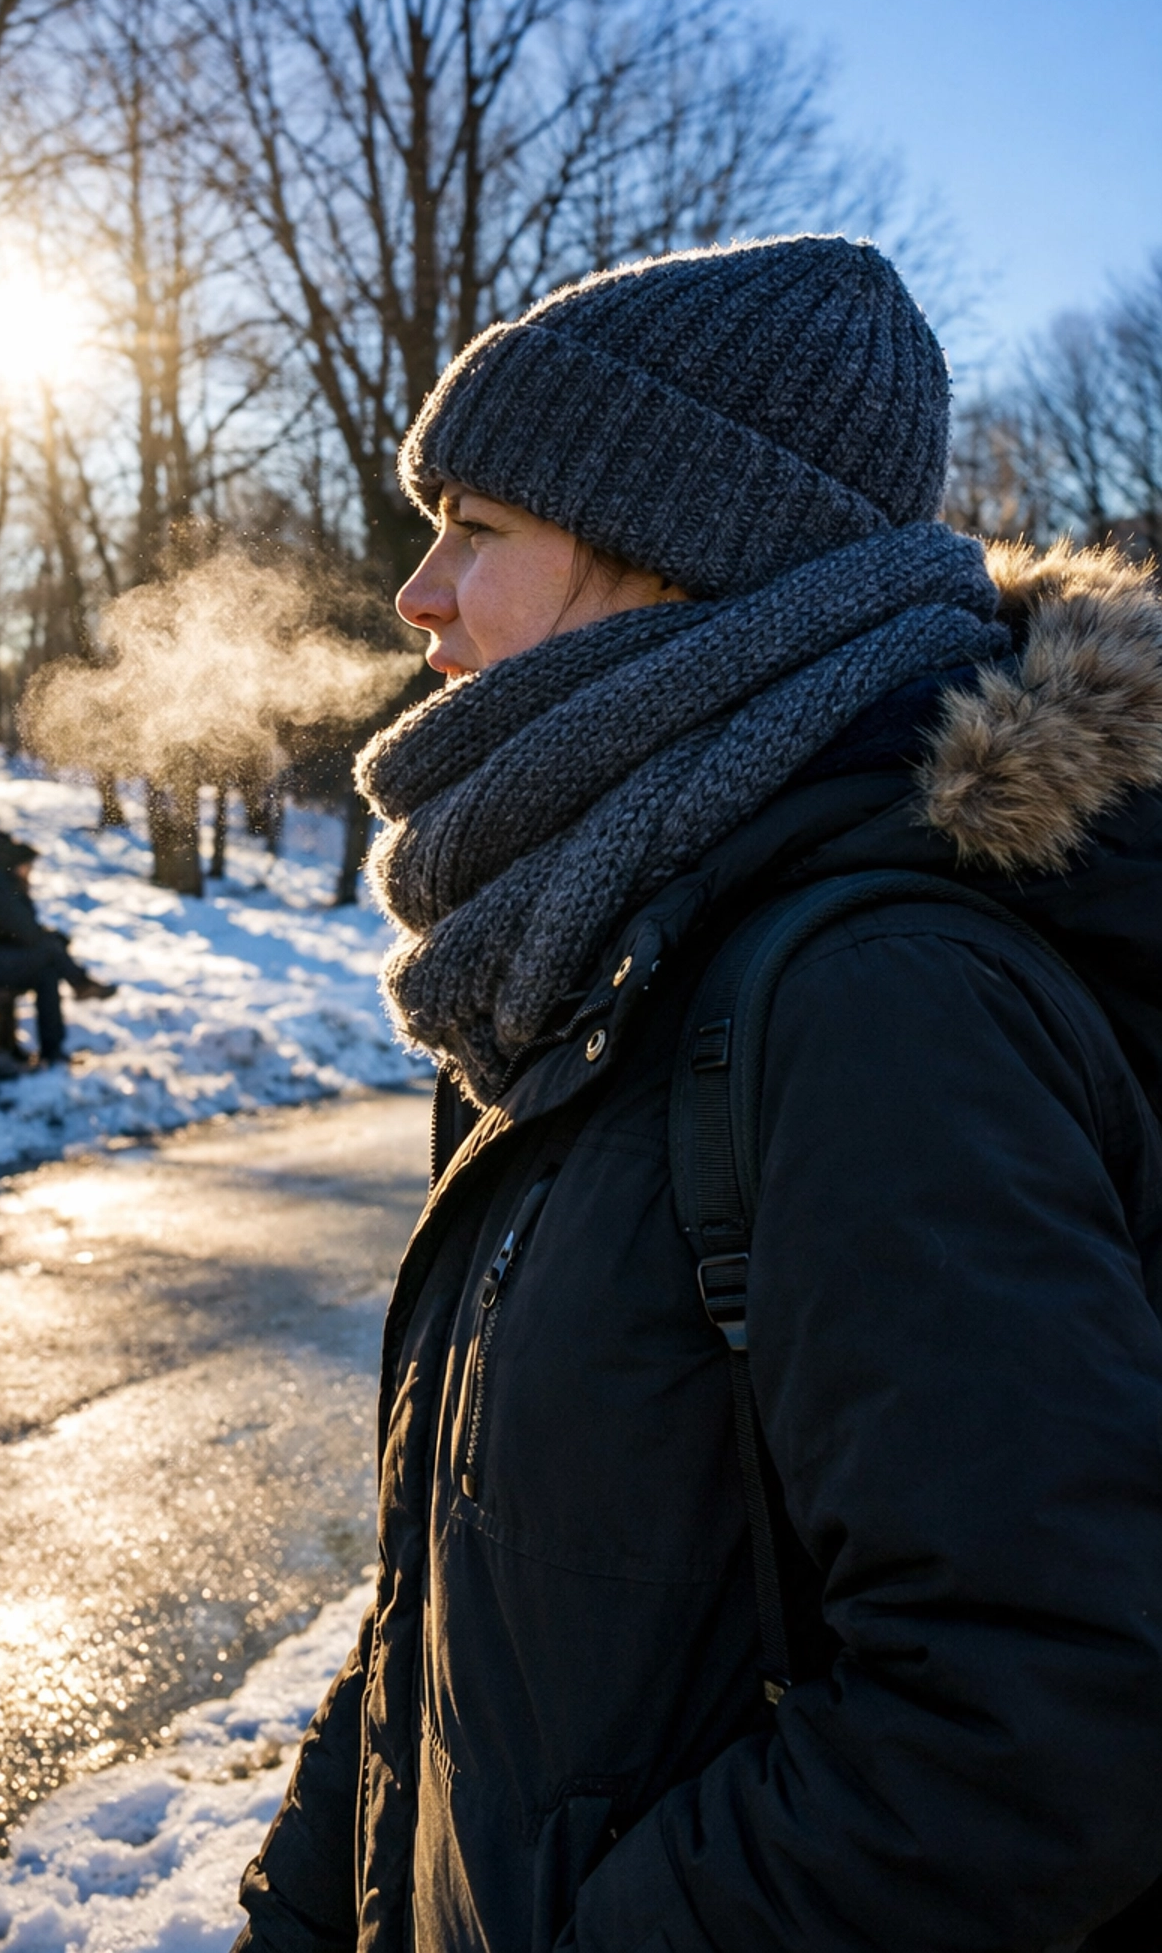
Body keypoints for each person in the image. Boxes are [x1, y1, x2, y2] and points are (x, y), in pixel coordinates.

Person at [234, 236, 1162, 1953]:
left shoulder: (867, 1002)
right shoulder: (585, 962)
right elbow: (447, 1620)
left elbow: (1031, 1718)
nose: (416, 594)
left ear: (677, 554)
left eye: (480, 527)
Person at [0, 831, 113, 1065]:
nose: (30, 872)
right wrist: (52, 938)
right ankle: (79, 985)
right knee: (49, 952)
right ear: (16, 865)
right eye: (28, 867)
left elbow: (15, 934)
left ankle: (43, 1050)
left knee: (46, 972)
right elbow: (26, 933)